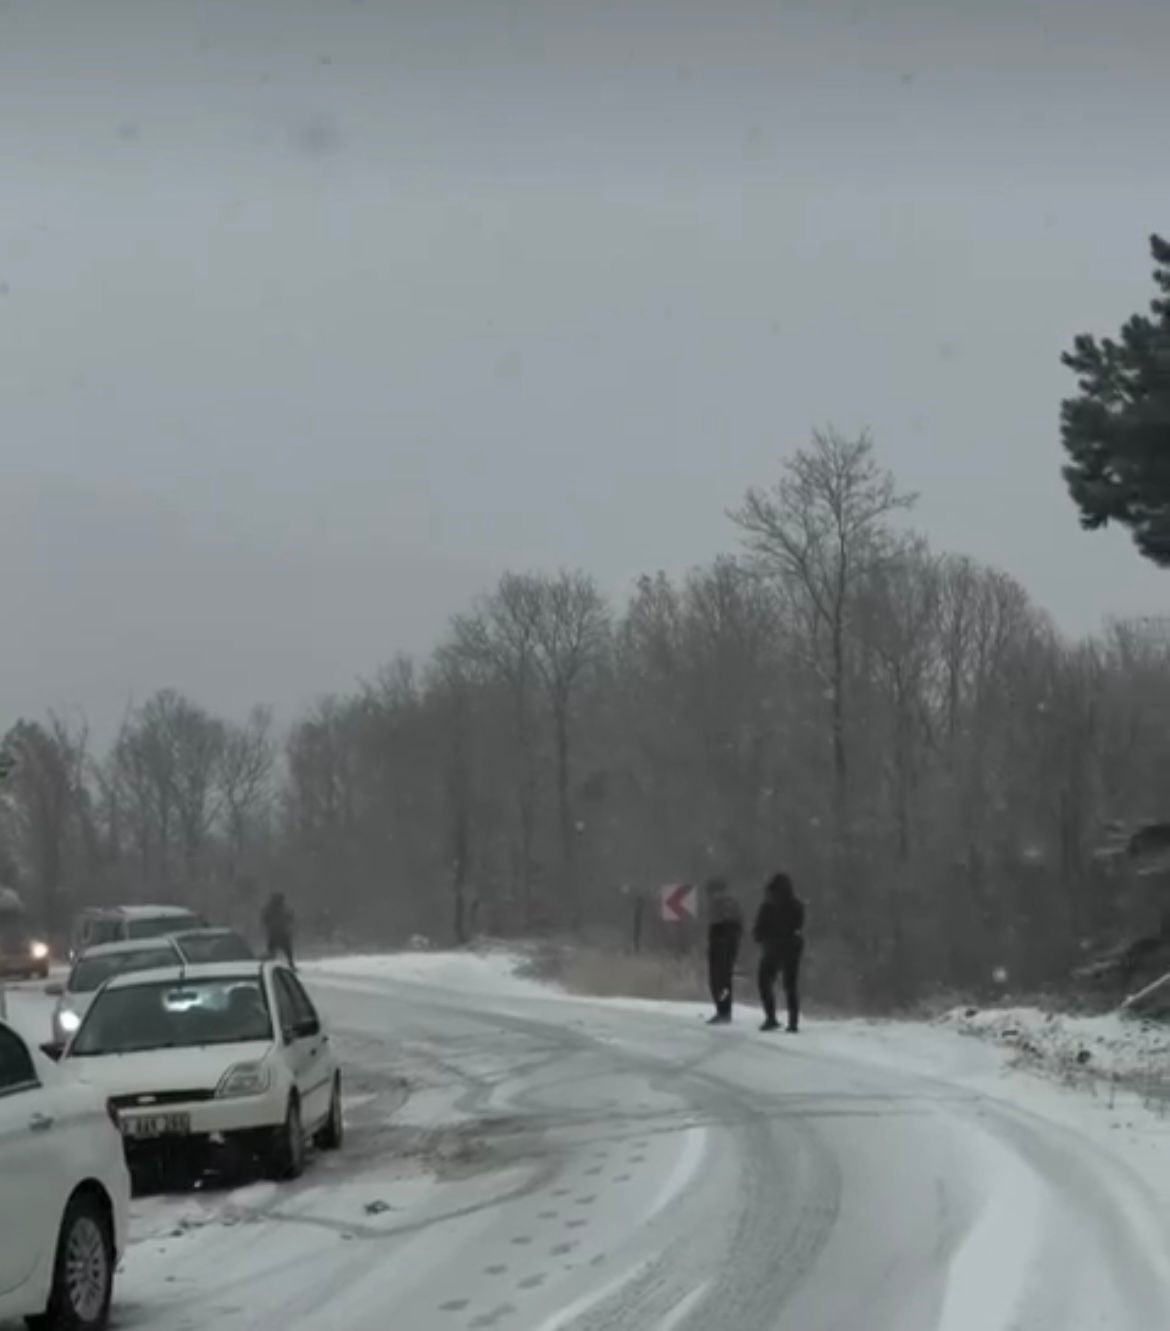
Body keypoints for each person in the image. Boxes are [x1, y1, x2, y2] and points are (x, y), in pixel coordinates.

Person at [753, 872, 805, 1032]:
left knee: (764, 981)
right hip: (792, 947)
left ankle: (771, 1017)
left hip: (773, 948)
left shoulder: (768, 906)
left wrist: (762, 937)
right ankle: (793, 1022)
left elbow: (758, 931)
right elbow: (798, 925)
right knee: (790, 985)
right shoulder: (797, 905)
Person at [705, 878, 743, 1024]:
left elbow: (725, 926)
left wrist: (722, 942)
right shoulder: (729, 903)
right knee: (721, 980)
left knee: (720, 980)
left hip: (722, 945)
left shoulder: (723, 904)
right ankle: (723, 1010)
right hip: (723, 944)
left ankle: (723, 1011)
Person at [262, 891, 296, 968]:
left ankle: (271, 965)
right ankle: (290, 964)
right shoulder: (282, 908)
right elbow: (290, 918)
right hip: (280, 933)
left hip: (276, 933)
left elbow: (265, 920)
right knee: (286, 951)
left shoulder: (271, 908)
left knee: (274, 951)